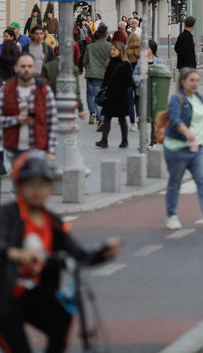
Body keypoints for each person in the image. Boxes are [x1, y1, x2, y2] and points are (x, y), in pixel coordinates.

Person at [0, 151, 122, 352]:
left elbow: (79, 255)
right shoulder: (8, 215)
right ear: (19, 186)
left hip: (30, 293)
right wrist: (16, 254)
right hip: (5, 297)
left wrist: (104, 252)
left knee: (61, 317)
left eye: (43, 184)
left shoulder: (52, 221)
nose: (37, 190)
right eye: (30, 184)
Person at [163, 68, 203, 231]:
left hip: (197, 148)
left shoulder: (199, 97)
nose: (195, 84)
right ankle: (172, 216)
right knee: (175, 182)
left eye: (197, 80)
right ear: (183, 82)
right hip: (177, 148)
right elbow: (174, 119)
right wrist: (187, 132)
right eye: (192, 80)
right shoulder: (177, 99)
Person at [0, 54, 58, 171]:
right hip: (15, 150)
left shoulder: (44, 90)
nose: (26, 69)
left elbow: (52, 122)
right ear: (16, 68)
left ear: (34, 69)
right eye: (23, 66)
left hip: (39, 149)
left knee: (36, 187)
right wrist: (16, 120)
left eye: (29, 66)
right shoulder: (6, 90)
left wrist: (52, 151)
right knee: (18, 187)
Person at [95, 42, 133, 149]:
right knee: (107, 118)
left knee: (122, 119)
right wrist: (103, 89)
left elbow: (128, 82)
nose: (112, 51)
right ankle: (104, 140)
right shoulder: (110, 62)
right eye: (111, 49)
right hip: (110, 96)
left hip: (121, 97)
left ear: (120, 52)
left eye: (114, 50)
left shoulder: (125, 64)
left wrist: (119, 89)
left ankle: (124, 141)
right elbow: (106, 79)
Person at [82, 24, 110, 127]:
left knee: (90, 94)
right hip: (105, 75)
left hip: (91, 74)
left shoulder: (90, 47)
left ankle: (93, 112)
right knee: (101, 96)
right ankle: (101, 117)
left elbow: (85, 61)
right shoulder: (109, 46)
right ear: (106, 35)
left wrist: (89, 67)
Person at [125, 34, 142, 131]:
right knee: (138, 99)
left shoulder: (126, 51)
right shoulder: (141, 52)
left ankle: (132, 123)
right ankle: (139, 117)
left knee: (130, 102)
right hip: (138, 78)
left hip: (128, 79)